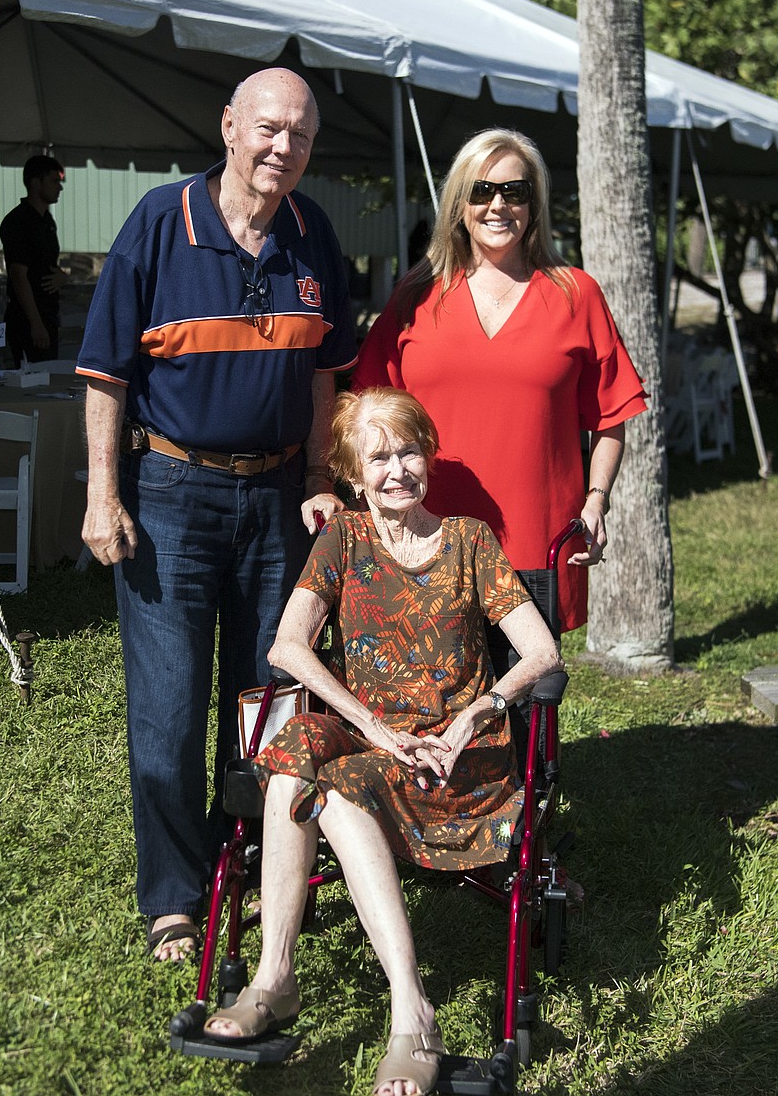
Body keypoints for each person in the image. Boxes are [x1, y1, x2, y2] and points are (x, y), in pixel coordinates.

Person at [203, 387, 563, 1096]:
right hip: (375, 743)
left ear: (428, 454)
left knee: (335, 786)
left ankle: (412, 1014)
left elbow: (541, 652)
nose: (397, 469)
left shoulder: (469, 540)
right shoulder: (343, 540)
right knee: (294, 751)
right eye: (379, 458)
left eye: (409, 451)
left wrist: (474, 715)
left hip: (458, 758)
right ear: (351, 473)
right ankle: (274, 977)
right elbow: (287, 646)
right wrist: (373, 726)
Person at [76, 69, 357, 961]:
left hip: (278, 499)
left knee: (265, 703)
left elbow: (327, 374)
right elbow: (106, 372)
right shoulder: (161, 223)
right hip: (170, 493)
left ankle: (253, 865)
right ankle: (173, 896)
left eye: (300, 134)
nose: (283, 146)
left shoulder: (313, 235)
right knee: (167, 716)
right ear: (230, 127)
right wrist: (102, 492)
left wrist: (319, 472)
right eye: (269, 127)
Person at [353, 128, 648, 637]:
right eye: (482, 191)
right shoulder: (415, 296)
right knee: (436, 686)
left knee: (531, 686)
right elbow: (365, 411)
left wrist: (596, 499)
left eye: (514, 191)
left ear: (534, 205)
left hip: (539, 540)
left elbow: (611, 415)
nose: (498, 205)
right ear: (459, 204)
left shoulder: (576, 294)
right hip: (428, 540)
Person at [0, 155, 68, 367]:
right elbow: (19, 275)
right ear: (36, 183)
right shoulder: (18, 222)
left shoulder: (47, 221)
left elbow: (46, 263)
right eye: (54, 181)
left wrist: (62, 277)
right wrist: (35, 323)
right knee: (31, 375)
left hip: (48, 313)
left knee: (49, 371)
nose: (59, 187)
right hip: (27, 318)